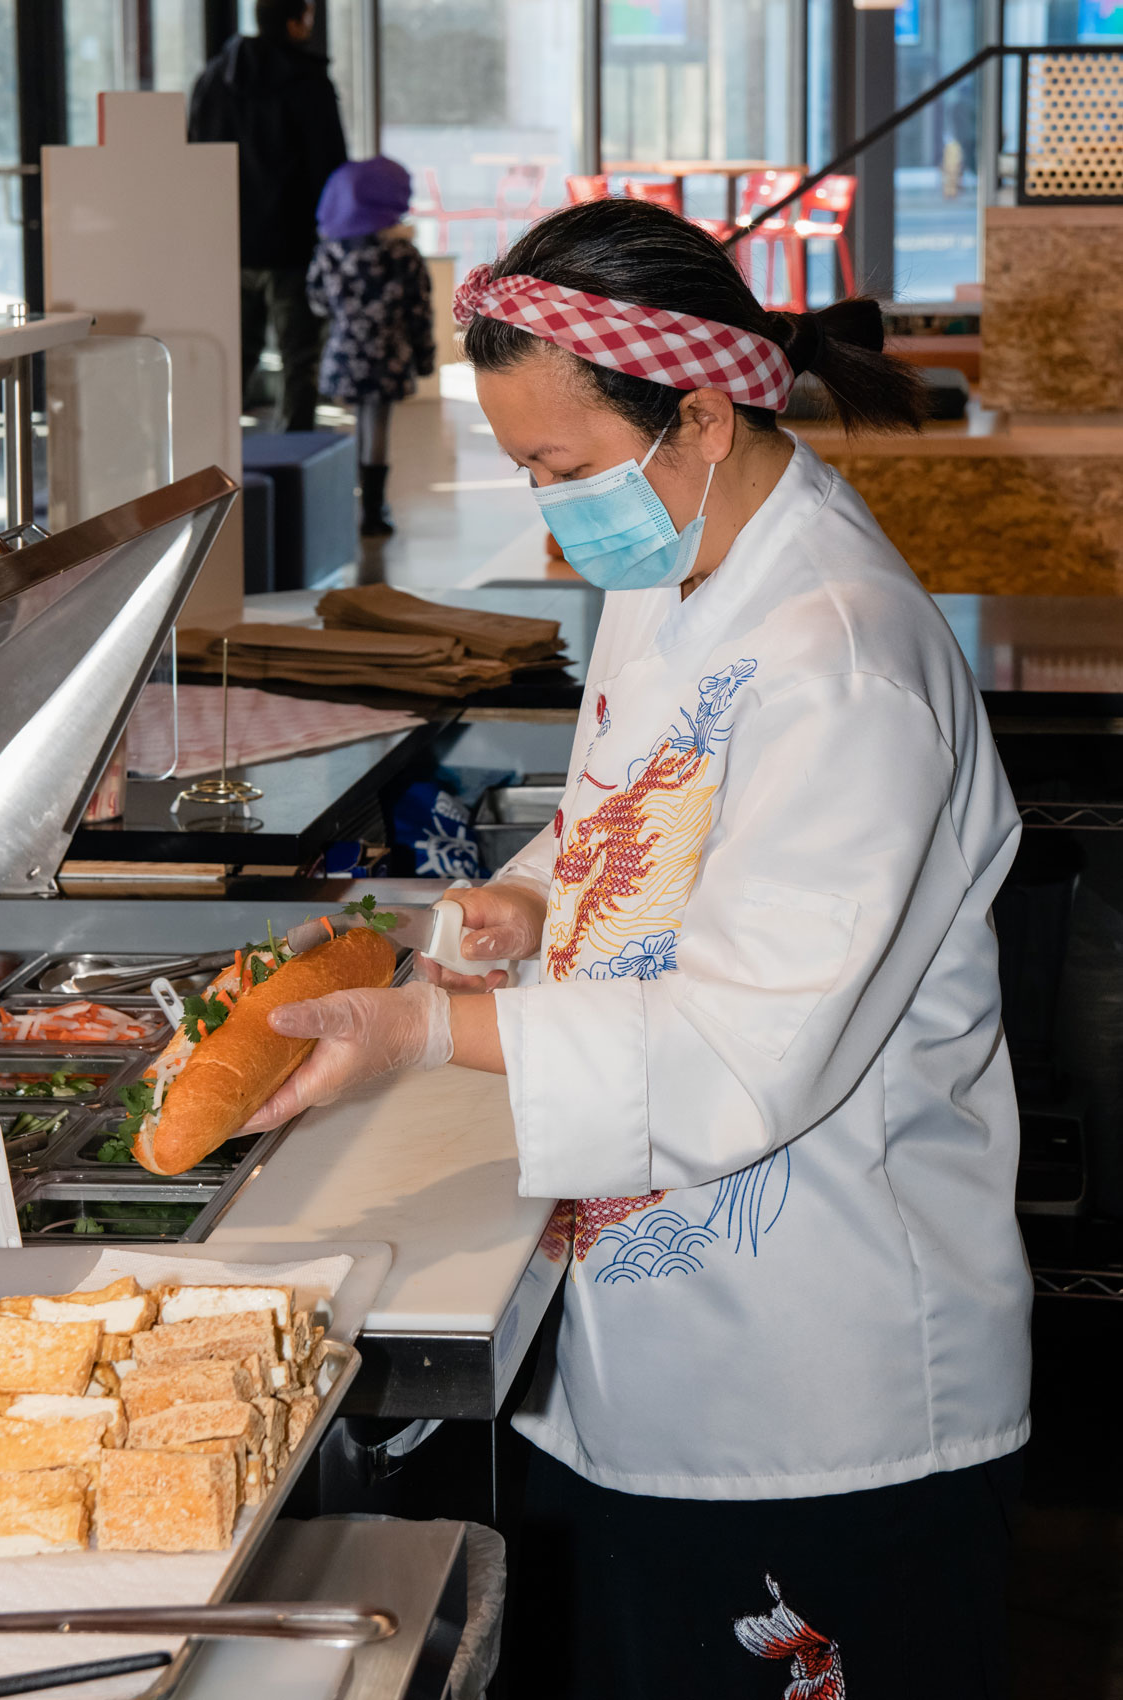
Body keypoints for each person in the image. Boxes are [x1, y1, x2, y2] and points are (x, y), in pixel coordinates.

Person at [243, 198, 1033, 1698]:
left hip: (820, 1381)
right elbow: (633, 812)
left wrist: (425, 1037)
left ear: (702, 415)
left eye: (563, 468)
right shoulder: (682, 572)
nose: (552, 514)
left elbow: (739, 1052)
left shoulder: (841, 661)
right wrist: (535, 901)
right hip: (648, 1343)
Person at [188, 0, 346, 431]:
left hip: (228, 240)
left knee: (233, 353)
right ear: (296, 23)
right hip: (293, 245)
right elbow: (330, 168)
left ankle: (215, 452)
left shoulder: (212, 79)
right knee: (299, 356)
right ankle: (295, 454)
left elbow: (193, 157)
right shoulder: (308, 81)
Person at [307, 157, 436, 537]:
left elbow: (316, 302)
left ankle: (355, 499)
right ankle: (373, 510)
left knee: (354, 424)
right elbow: (419, 312)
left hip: (344, 356)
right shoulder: (403, 255)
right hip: (388, 356)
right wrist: (425, 358)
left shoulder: (331, 252)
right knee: (377, 425)